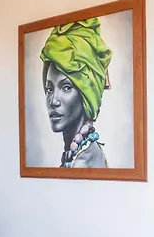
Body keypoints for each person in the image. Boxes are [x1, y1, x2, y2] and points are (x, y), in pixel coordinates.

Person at [40, 18, 112, 168]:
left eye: (66, 87)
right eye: (49, 89)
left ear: (86, 95)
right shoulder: (80, 153)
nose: (53, 101)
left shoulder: (83, 163)